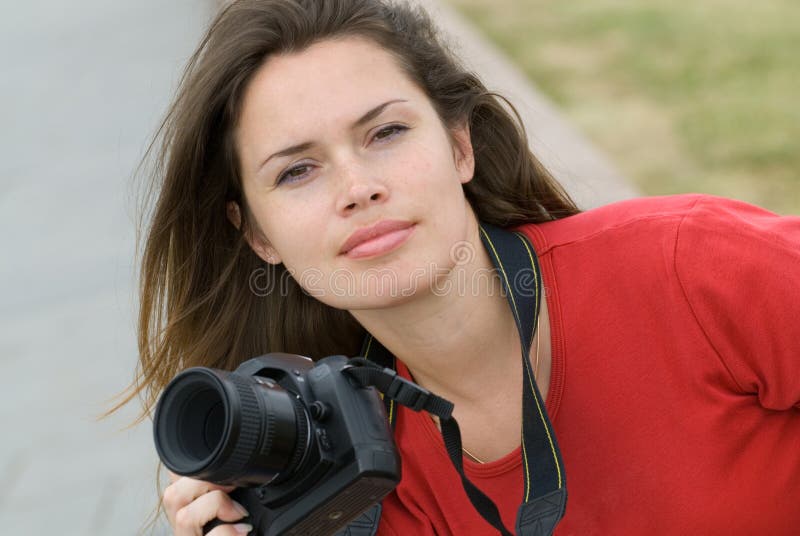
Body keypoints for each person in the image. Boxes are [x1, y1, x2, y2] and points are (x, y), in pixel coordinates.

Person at [123, 0, 800, 534]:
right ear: (258, 236)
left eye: (385, 132)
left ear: (459, 145)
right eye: (298, 171)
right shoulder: (352, 489)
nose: (357, 186)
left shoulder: (687, 266)